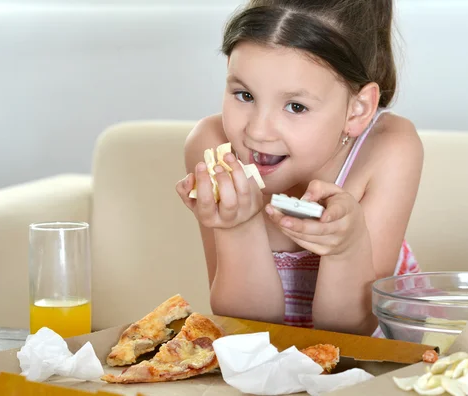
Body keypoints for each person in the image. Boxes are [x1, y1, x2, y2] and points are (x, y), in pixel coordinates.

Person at [176, 0, 423, 337]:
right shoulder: (213, 147)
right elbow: (249, 330)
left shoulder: (388, 147)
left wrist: (345, 248)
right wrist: (238, 227)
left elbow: (352, 330)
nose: (257, 131)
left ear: (357, 109)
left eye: (295, 106)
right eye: (244, 95)